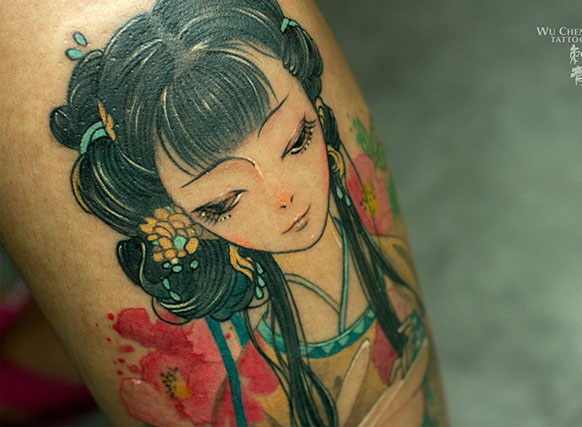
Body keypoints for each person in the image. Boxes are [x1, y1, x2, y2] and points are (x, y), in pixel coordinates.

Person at [0, 0, 448, 425]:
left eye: (297, 140)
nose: (283, 196)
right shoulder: (255, 381)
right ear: (180, 219)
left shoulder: (379, 267)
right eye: (224, 202)